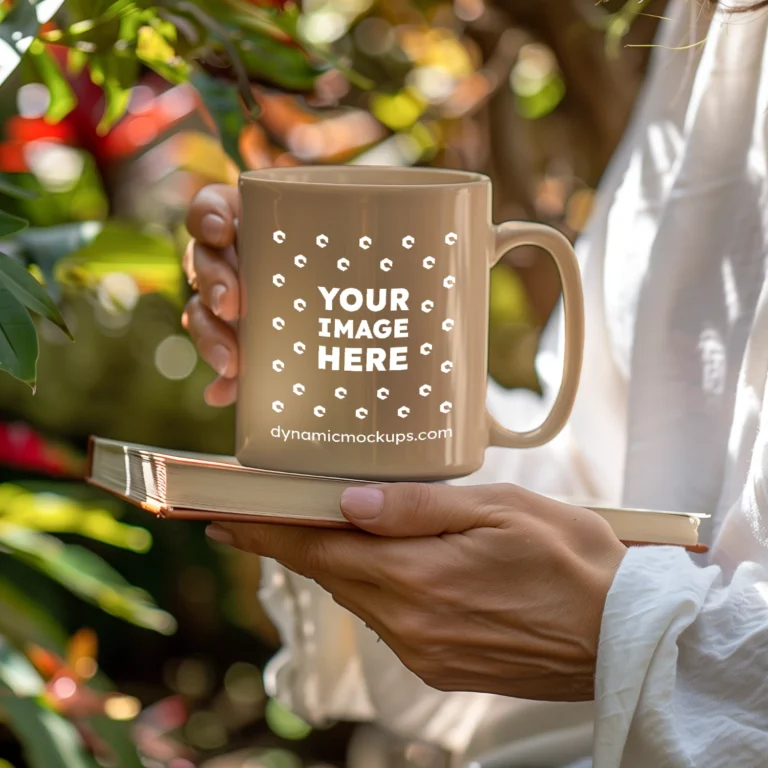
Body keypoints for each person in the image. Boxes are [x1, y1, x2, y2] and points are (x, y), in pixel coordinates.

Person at [181, 0, 768, 765]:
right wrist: (339, 381)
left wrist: (630, 635)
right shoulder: (714, 28)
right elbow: (624, 489)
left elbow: (645, 588)